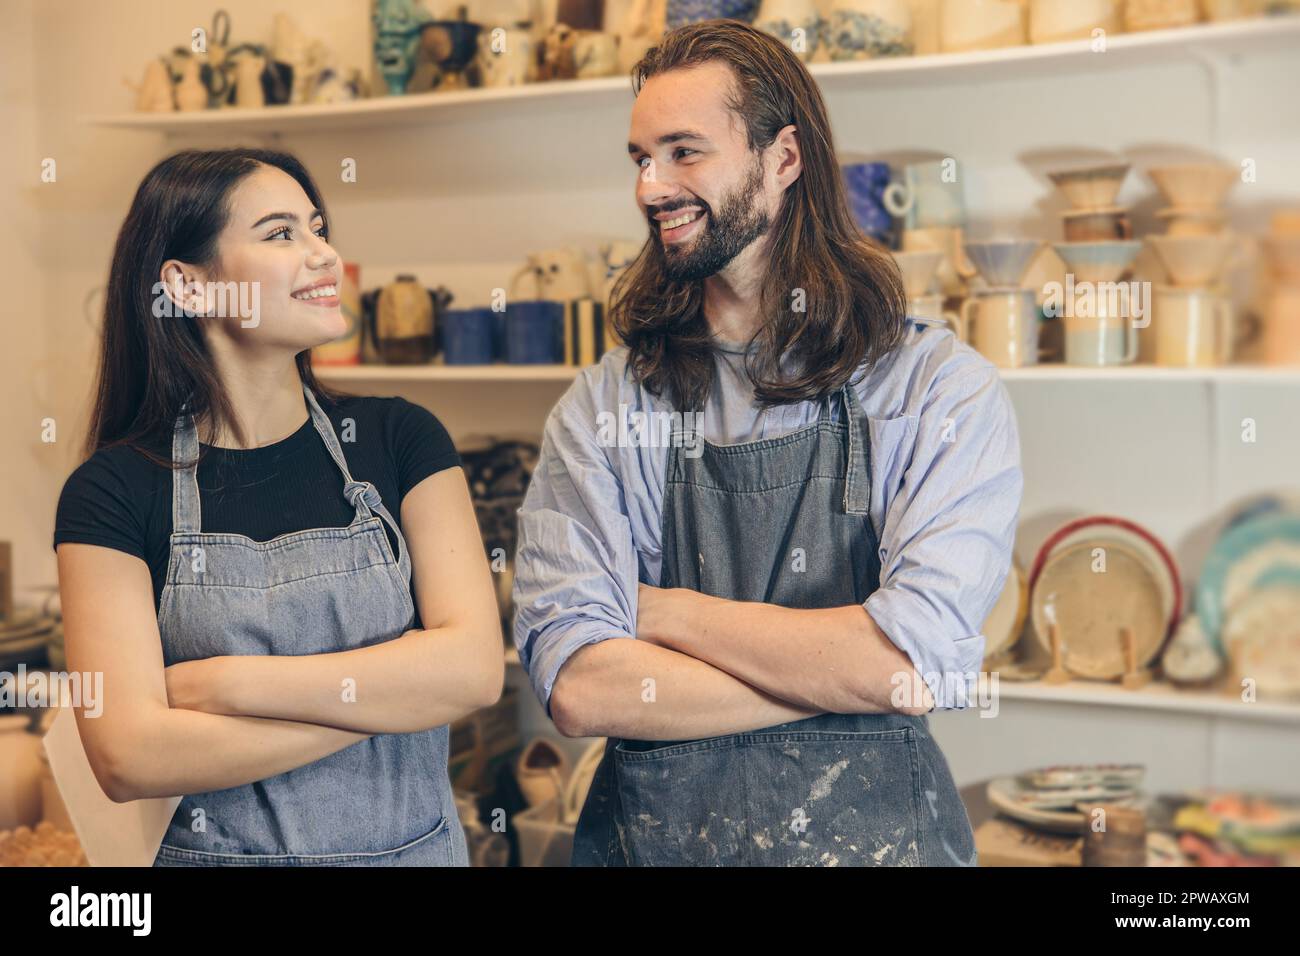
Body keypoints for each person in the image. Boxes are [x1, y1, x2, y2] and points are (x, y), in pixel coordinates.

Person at [512, 22, 1023, 866]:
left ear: (784, 158)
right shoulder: (606, 403)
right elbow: (582, 686)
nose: (651, 187)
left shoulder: (935, 388)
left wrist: (661, 612)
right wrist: (842, 672)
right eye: (640, 157)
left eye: (684, 152)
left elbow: (913, 665)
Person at [54, 148, 503, 866]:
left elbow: (475, 670)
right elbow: (129, 756)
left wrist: (227, 685)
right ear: (189, 287)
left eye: (318, 228)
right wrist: (393, 701)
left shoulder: (400, 440)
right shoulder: (113, 491)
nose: (324, 255)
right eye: (281, 233)